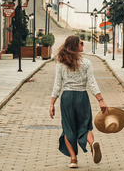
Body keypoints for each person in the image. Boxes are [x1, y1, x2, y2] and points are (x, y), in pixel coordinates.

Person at [49, 35, 108, 168]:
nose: (83, 45)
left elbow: (57, 85)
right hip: (82, 96)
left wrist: (52, 103)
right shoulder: (86, 63)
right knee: (85, 126)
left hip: (67, 97)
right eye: (81, 43)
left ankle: (73, 159)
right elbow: (92, 83)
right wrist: (101, 100)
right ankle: (92, 144)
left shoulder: (60, 63)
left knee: (68, 128)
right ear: (75, 45)